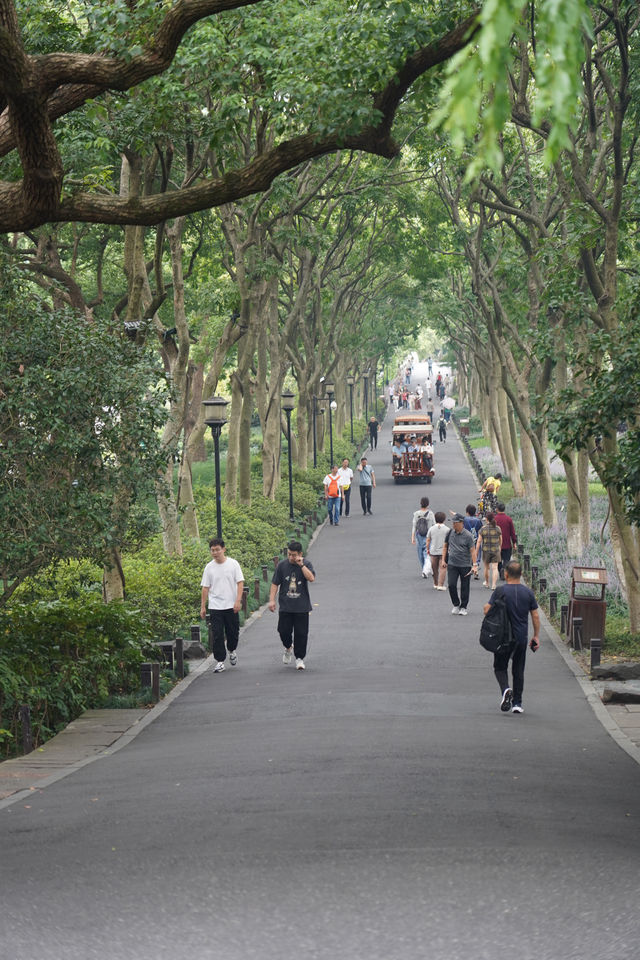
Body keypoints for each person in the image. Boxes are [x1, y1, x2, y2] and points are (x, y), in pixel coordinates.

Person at [484, 560, 540, 714]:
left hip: (502, 637)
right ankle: (517, 703)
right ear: (521, 574)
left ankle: (506, 689)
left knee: (500, 667)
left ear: (506, 574)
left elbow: (487, 610)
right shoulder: (528, 592)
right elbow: (535, 616)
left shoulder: (500, 591)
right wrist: (536, 636)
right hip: (521, 637)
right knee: (518, 669)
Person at [200, 538, 245, 673]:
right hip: (215, 606)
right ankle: (220, 661)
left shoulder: (233, 564)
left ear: (223, 549)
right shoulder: (209, 567)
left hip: (231, 605)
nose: (215, 553)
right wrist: (203, 606)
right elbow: (205, 588)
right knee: (217, 634)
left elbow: (240, 583)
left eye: (217, 550)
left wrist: (238, 601)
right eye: (212, 550)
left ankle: (232, 650)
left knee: (233, 632)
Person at [269, 541, 316, 671]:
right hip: (285, 606)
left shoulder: (306, 564)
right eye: (289, 554)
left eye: (294, 555)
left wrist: (301, 565)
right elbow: (274, 583)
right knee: (283, 631)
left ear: (300, 554)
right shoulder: (282, 566)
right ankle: (288, 647)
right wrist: (272, 600)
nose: (291, 557)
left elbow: (311, 578)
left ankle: (299, 659)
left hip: (302, 606)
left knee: (301, 634)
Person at [441, 513, 478, 615]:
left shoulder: (468, 536)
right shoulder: (450, 533)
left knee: (465, 586)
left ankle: (463, 607)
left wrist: (475, 565)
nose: (453, 525)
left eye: (455, 523)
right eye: (453, 523)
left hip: (465, 565)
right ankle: (456, 604)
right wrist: (444, 560)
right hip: (452, 564)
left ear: (462, 523)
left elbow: (473, 551)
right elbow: (445, 547)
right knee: (451, 585)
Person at [411, 496, 436, 577]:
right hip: (428, 535)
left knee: (420, 553)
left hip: (419, 536)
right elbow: (434, 525)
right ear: (428, 504)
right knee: (427, 552)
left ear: (420, 504)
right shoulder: (431, 514)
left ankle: (424, 569)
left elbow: (414, 526)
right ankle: (427, 569)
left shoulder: (416, 514)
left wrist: (412, 537)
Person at [478, 512, 502, 590]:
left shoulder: (483, 529)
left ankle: (487, 583)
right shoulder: (498, 528)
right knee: (495, 568)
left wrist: (476, 550)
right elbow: (501, 539)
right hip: (495, 550)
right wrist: (500, 547)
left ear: (487, 519)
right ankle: (494, 585)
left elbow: (479, 541)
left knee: (486, 568)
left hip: (486, 550)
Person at [494, 502, 518, 579]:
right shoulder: (509, 519)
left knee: (498, 559)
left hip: (496, 544)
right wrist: (514, 542)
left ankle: (501, 569)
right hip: (507, 543)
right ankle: (504, 569)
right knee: (507, 559)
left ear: (497, 509)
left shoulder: (494, 519)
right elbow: (512, 532)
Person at [426, 511, 448, 589]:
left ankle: (435, 583)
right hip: (443, 552)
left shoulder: (431, 529)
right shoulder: (447, 529)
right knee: (443, 568)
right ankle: (440, 584)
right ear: (444, 519)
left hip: (433, 551)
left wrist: (427, 548)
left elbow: (428, 540)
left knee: (434, 568)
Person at [464, 504, 484, 578]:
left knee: (467, 554)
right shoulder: (478, 520)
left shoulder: (465, 520)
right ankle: (476, 571)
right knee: (476, 554)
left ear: (467, 512)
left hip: (466, 540)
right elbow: (481, 529)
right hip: (475, 539)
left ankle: (467, 570)